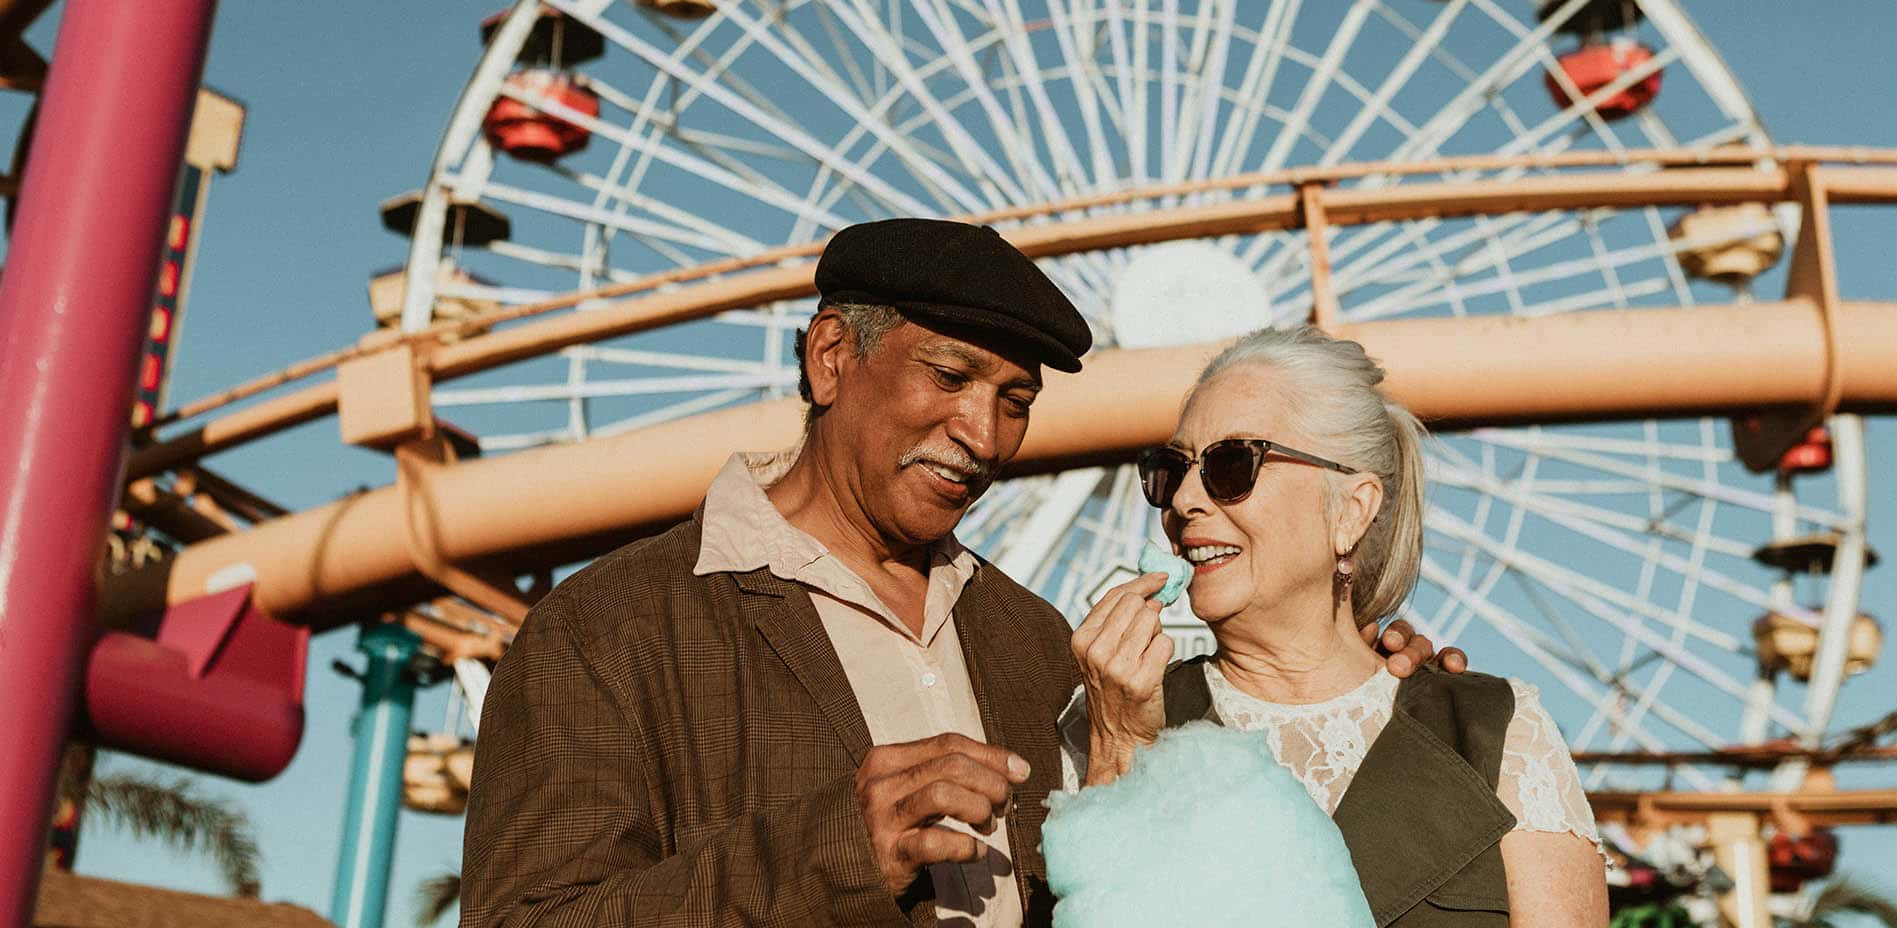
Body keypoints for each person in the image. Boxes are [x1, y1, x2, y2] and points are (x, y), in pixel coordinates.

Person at [460, 220, 1451, 928]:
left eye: (1013, 399)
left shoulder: (1030, 641)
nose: (982, 436)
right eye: (949, 377)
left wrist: (1358, 691)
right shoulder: (614, 627)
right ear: (829, 358)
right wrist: (835, 849)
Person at [1067, 325, 1609, 927]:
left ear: (1351, 511)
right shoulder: (1102, 723)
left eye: (1232, 465)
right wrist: (1120, 752)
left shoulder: (1497, 734)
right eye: (1171, 469)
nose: (1184, 499)